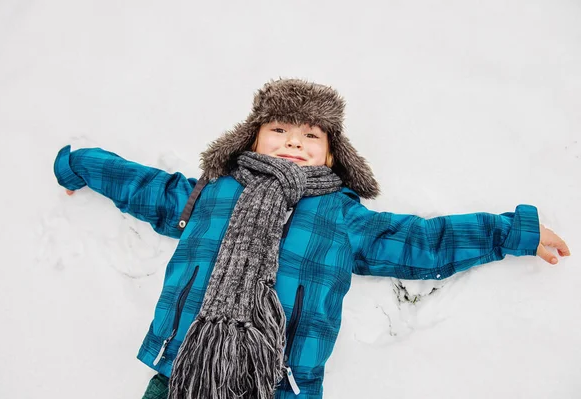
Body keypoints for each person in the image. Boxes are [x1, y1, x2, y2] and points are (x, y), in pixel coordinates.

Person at [54, 78, 570, 399]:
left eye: (311, 136)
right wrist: (80, 165)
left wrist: (512, 232)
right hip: (182, 368)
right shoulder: (211, 194)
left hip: (280, 382)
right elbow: (147, 188)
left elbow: (419, 242)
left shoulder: (339, 216)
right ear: (252, 139)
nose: (294, 141)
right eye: (280, 130)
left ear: (331, 156)